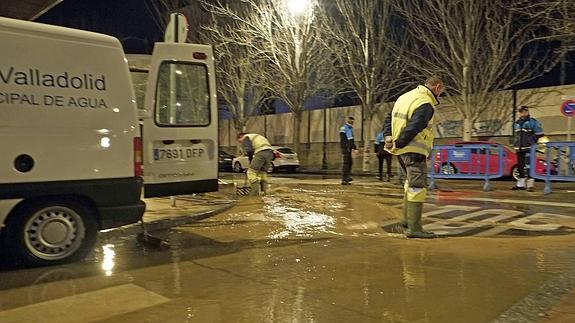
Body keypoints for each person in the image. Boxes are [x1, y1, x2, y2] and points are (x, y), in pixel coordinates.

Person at [383, 76, 444, 239]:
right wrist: (402, 142)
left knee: (410, 183)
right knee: (418, 185)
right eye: (441, 92)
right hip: (413, 150)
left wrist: (389, 137)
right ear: (437, 87)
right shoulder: (426, 103)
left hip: (400, 150)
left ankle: (406, 221)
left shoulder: (405, 97)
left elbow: (388, 117)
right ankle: (415, 227)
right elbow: (416, 125)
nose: (440, 96)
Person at [512, 106, 544, 192]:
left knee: (529, 166)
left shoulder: (533, 122)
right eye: (520, 112)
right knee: (520, 166)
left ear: (527, 112)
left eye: (522, 111)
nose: (521, 113)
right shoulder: (517, 123)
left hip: (529, 147)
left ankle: (530, 185)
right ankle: (520, 185)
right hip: (519, 148)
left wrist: (531, 140)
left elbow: (540, 133)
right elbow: (516, 135)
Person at [340, 116, 358, 185]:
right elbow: (350, 139)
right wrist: (354, 148)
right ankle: (345, 179)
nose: (353, 122)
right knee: (347, 163)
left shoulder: (343, 127)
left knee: (349, 162)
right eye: (352, 121)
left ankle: (347, 177)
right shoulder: (348, 129)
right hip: (347, 147)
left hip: (344, 147)